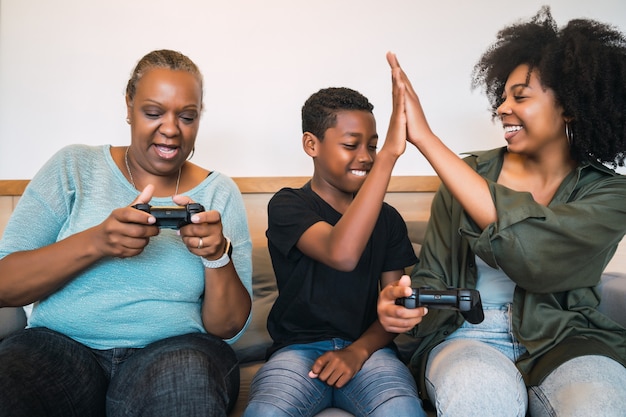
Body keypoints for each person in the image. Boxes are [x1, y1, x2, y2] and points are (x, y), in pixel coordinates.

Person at [377, 6, 626, 417]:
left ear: (570, 107)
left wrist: (426, 139)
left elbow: (538, 255)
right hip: (467, 336)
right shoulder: (467, 175)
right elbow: (431, 277)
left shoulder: (609, 192)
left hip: (568, 339)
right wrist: (403, 304)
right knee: (478, 394)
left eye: (521, 97)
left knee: (598, 403)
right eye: (503, 96)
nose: (503, 108)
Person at [0, 49, 253, 417]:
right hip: (59, 347)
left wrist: (217, 256)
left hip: (175, 350)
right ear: (128, 106)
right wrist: (97, 241)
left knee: (189, 386)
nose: (170, 128)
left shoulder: (218, 193)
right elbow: (5, 285)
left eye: (187, 117)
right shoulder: (73, 167)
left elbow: (228, 328)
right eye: (153, 112)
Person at [243, 86, 427, 417]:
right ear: (311, 144)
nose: (367, 156)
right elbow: (341, 252)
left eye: (372, 146)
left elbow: (393, 306)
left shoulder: (387, 219)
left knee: (402, 409)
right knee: (266, 412)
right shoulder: (288, 205)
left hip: (369, 352)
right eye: (350, 145)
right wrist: (388, 157)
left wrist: (357, 352)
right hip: (297, 352)